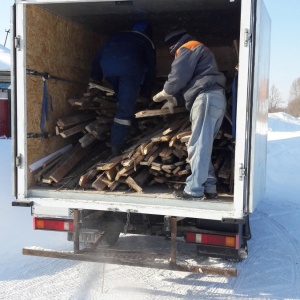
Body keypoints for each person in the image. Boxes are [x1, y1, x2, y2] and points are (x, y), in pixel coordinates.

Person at [152, 28, 226, 200]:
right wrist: (175, 100)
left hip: (206, 97)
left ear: (173, 44)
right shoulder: (197, 49)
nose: (172, 52)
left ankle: (193, 190)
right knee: (203, 144)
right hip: (212, 98)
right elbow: (191, 80)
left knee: (198, 145)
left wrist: (166, 91)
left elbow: (178, 76)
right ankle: (209, 187)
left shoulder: (188, 47)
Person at [91, 21, 156, 156]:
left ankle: (132, 128)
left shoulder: (116, 37)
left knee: (123, 100)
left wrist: (96, 76)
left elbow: (98, 56)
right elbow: (151, 70)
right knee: (124, 110)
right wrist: (146, 94)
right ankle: (116, 147)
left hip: (109, 70)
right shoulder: (146, 41)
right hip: (129, 71)